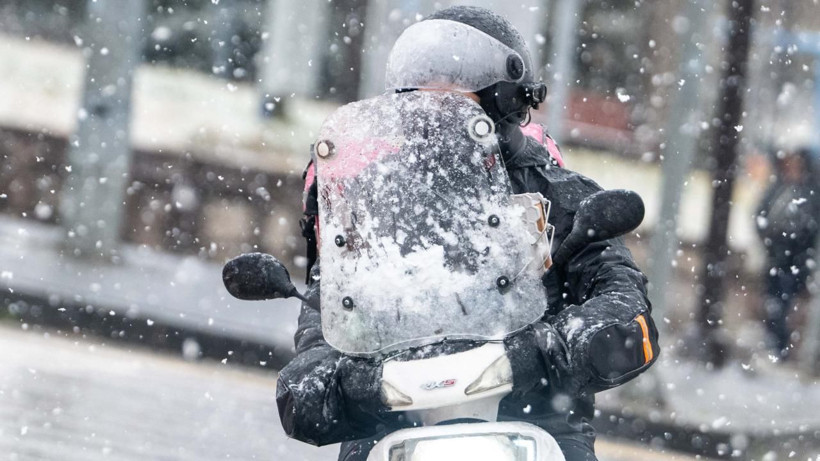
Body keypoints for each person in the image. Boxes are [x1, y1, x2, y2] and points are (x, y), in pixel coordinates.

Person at [276, 6, 660, 461]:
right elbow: (324, 328)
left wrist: (549, 349)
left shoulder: (561, 196)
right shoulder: (371, 202)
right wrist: (335, 378)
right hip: (392, 427)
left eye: (455, 84)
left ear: (505, 96)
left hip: (535, 424)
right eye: (419, 87)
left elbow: (626, 308)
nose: (433, 101)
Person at [755, 147, 820, 360]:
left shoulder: (809, 191)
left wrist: (797, 245)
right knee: (773, 301)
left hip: (796, 258)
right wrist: (769, 238)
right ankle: (774, 344)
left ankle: (779, 347)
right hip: (776, 255)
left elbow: (809, 225)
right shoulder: (779, 187)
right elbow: (761, 213)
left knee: (784, 303)